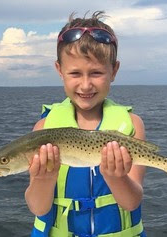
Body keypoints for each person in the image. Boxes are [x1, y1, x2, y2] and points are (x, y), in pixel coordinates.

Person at [25, 11, 147, 237]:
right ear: (59, 71)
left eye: (96, 73)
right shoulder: (43, 129)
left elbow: (132, 203)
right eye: (75, 73)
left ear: (114, 71)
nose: (85, 84)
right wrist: (44, 178)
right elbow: (38, 208)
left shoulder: (132, 124)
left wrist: (116, 177)